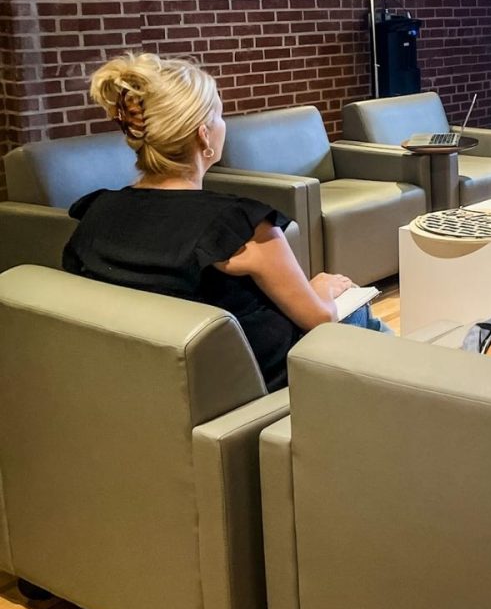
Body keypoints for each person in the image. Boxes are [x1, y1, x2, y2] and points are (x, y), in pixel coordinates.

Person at [62, 53, 390, 392]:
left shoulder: (96, 213)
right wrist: (320, 290)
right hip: (261, 384)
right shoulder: (238, 225)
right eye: (219, 115)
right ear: (203, 135)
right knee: (357, 312)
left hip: (156, 384)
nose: (224, 125)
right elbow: (319, 318)